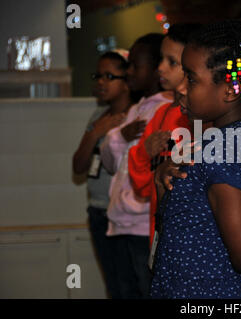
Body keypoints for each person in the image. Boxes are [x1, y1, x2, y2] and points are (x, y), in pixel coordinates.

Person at [149, 20, 241, 299]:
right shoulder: (226, 140)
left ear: (230, 90)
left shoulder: (226, 151)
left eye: (191, 79)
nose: (182, 88)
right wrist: (163, 184)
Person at [99, 33, 170, 298]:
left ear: (155, 70)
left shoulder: (164, 109)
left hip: (142, 222)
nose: (129, 71)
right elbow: (112, 164)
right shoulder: (136, 109)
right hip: (123, 219)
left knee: (146, 289)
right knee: (125, 290)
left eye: (135, 65)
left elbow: (158, 168)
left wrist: (136, 205)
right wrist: (118, 136)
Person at [127, 24, 199, 253]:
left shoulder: (202, 117)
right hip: (160, 236)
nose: (160, 68)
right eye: (160, 59)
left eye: (172, 62)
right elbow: (143, 187)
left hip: (193, 242)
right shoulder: (161, 113)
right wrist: (143, 152)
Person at [72, 51, 131, 298]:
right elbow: (78, 167)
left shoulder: (138, 115)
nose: (101, 82)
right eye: (99, 75)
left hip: (124, 215)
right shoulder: (98, 116)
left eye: (110, 76)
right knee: (114, 288)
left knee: (130, 287)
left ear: (128, 80)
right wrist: (94, 133)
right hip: (98, 211)